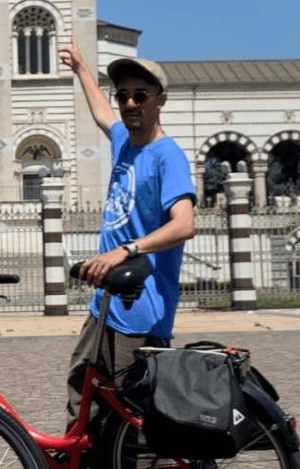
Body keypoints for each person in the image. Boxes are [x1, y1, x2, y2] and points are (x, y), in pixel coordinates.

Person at [59, 42, 196, 434]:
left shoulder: (167, 156)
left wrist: (127, 250)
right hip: (105, 300)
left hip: (141, 306)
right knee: (82, 390)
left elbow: (185, 224)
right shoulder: (124, 141)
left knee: (129, 414)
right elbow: (101, 113)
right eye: (123, 95)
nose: (129, 103)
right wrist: (83, 68)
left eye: (140, 95)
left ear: (160, 100)